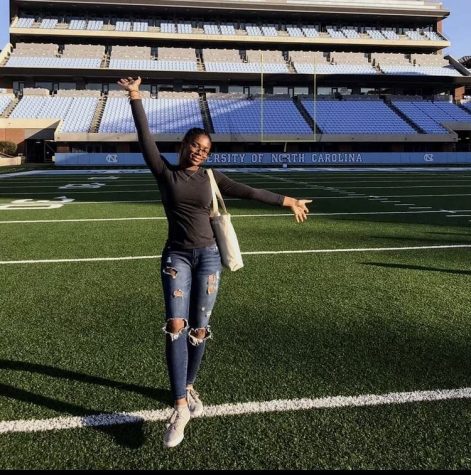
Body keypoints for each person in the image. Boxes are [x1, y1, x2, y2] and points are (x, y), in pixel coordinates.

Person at [117, 76, 312, 448]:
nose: (199, 152)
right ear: (184, 145)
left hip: (209, 258)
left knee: (200, 329)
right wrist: (136, 97)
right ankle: (178, 407)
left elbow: (248, 191)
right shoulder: (166, 173)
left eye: (205, 149)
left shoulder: (211, 177)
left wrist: (287, 200)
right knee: (176, 323)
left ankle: (188, 387)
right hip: (176, 256)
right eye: (194, 145)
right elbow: (145, 141)